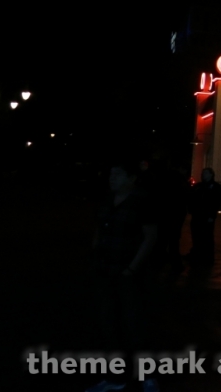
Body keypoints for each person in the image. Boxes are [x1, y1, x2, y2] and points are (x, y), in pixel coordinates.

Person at [87, 162, 159, 392]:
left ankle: (147, 376)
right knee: (108, 325)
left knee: (134, 325)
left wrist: (132, 269)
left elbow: (150, 236)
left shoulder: (142, 201)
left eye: (118, 174)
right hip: (105, 270)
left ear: (131, 178)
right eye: (111, 173)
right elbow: (100, 227)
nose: (112, 178)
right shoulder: (109, 200)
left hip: (128, 273)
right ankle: (116, 377)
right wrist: (96, 250)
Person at [187, 167, 221, 265]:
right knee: (196, 236)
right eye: (203, 173)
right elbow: (192, 198)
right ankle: (197, 255)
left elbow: (216, 202)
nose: (203, 174)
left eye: (206, 173)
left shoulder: (215, 187)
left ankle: (207, 258)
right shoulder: (199, 186)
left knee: (207, 237)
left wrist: (212, 215)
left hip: (206, 216)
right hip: (197, 215)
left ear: (211, 175)